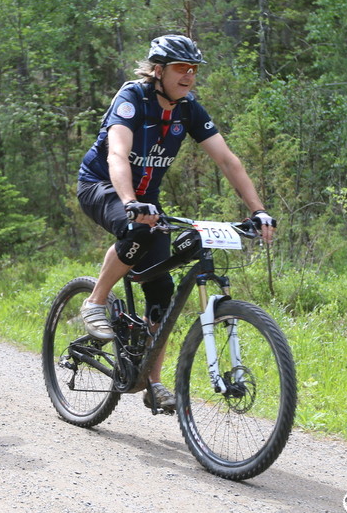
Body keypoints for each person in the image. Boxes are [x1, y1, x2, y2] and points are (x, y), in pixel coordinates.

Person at [76, 35, 276, 411]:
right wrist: (130, 201)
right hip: (102, 186)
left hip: (145, 202)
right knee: (137, 227)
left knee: (162, 295)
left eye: (194, 70)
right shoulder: (132, 99)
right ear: (158, 70)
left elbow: (228, 161)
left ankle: (152, 383)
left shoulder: (188, 110)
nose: (189, 76)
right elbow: (117, 154)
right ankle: (95, 301)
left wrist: (257, 210)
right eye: (181, 68)